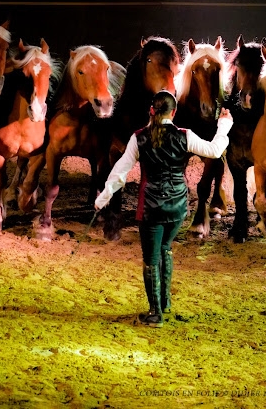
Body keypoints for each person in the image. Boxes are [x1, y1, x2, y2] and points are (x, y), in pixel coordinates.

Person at [95, 90, 233, 327]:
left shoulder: (139, 137)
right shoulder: (185, 135)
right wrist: (224, 126)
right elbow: (214, 150)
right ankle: (165, 304)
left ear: (151, 111)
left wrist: (103, 197)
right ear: (174, 112)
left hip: (150, 207)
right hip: (178, 207)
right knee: (166, 249)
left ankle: (155, 313)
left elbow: (120, 171)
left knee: (150, 259)